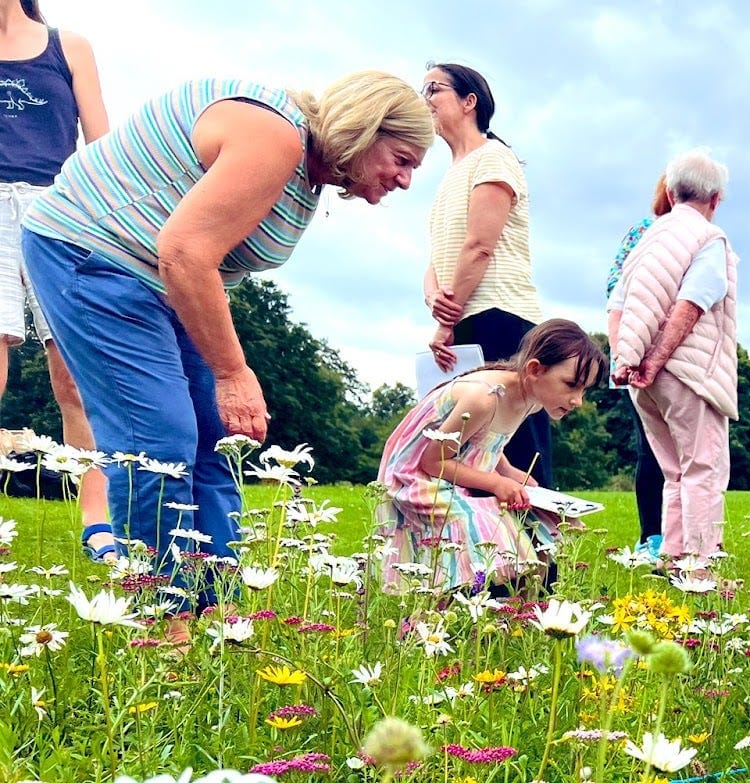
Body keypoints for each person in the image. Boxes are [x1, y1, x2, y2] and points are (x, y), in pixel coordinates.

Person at [22, 71, 433, 623]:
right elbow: (186, 252)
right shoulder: (275, 137)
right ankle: (161, 623)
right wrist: (233, 373)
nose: (405, 180)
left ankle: (217, 611)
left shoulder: (304, 173)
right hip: (93, 257)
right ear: (365, 130)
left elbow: (201, 261)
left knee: (217, 441)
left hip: (161, 283)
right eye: (403, 159)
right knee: (158, 440)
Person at [376, 318, 604, 593]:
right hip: (416, 478)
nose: (578, 400)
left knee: (549, 517)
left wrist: (507, 471)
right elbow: (432, 461)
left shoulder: (531, 401)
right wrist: (496, 483)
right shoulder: (484, 398)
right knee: (482, 522)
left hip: (456, 472)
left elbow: (487, 440)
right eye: (571, 385)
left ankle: (526, 607)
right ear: (535, 369)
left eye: (584, 389)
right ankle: (439, 609)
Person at [0, 0, 111, 559]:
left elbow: (104, 148)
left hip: (58, 205)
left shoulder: (67, 47)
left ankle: (98, 521)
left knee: (72, 370)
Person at [420, 62, 552, 490]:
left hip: (502, 318)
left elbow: (479, 247)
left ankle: (543, 555)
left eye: (433, 90)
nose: (424, 101)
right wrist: (434, 300)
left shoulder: (494, 158)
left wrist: (444, 322)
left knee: (516, 450)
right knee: (469, 451)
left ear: (469, 101)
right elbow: (438, 257)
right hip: (464, 320)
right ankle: (482, 554)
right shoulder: (449, 176)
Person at [610, 149, 737, 572]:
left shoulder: (646, 239)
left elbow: (619, 304)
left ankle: (672, 557)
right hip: (685, 371)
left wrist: (629, 364)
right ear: (715, 200)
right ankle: (699, 568)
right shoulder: (709, 239)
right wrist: (658, 359)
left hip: (640, 375)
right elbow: (693, 303)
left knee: (675, 472)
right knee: (704, 467)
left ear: (670, 190)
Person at [605, 175, 671, 559]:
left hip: (684, 359)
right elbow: (615, 287)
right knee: (651, 449)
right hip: (640, 356)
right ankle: (652, 536)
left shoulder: (701, 236)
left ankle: (684, 534)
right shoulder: (644, 232)